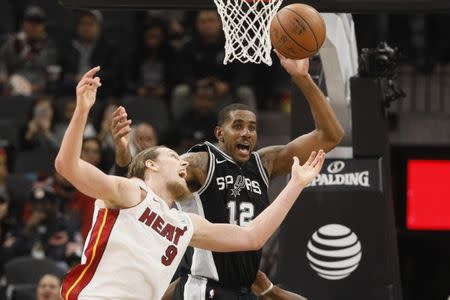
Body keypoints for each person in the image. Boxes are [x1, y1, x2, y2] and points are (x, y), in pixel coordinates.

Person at [55, 66, 324, 299]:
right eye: (174, 156)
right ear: (151, 164)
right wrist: (82, 110)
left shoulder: (185, 224)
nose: (183, 162)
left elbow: (252, 237)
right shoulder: (132, 193)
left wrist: (296, 184)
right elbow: (67, 166)